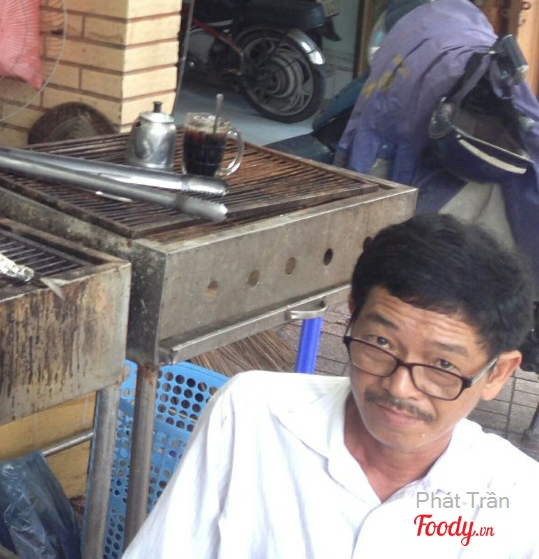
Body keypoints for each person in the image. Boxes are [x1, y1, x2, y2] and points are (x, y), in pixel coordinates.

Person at [124, 213, 539, 557]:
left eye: (442, 365)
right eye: (380, 343)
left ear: (497, 374)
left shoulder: (516, 498)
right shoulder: (253, 413)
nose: (399, 387)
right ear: (352, 316)